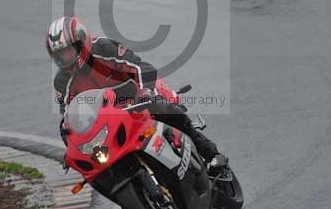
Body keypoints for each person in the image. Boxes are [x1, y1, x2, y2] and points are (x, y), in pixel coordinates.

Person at [46, 16, 228, 171]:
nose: (66, 58)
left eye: (69, 51)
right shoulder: (62, 81)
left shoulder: (105, 48)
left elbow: (141, 67)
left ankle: (212, 154)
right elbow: (69, 118)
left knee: (166, 109)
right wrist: (71, 148)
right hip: (110, 115)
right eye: (61, 55)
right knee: (99, 156)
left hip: (140, 92)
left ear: (81, 42)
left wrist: (146, 91)